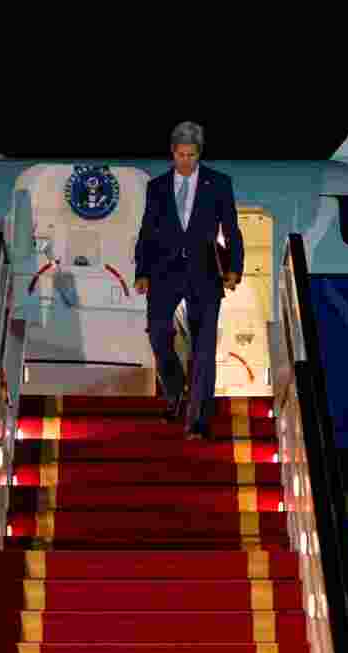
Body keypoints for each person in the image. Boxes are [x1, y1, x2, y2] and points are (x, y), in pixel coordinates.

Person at [134, 122, 244, 440]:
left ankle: (198, 421)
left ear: (199, 153)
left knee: (204, 349)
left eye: (192, 155)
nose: (186, 161)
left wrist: (234, 267)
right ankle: (175, 389)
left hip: (205, 274)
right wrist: (142, 272)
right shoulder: (157, 187)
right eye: (181, 155)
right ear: (173, 152)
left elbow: (231, 229)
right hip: (163, 273)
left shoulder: (219, 183)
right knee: (158, 335)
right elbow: (147, 231)